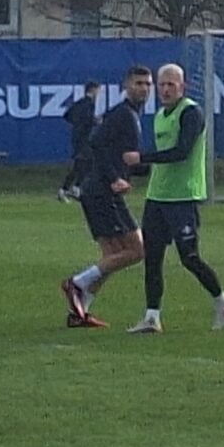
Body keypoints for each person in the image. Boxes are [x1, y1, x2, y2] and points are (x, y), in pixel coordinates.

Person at [123, 62, 224, 334]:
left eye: (172, 84)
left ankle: (221, 301)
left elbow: (181, 152)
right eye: (162, 84)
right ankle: (151, 316)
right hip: (158, 197)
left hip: (183, 197)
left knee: (189, 257)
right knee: (153, 258)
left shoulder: (191, 113)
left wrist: (143, 158)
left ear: (183, 87)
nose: (166, 89)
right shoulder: (160, 115)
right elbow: (160, 159)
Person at [62, 66, 150, 327]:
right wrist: (114, 178)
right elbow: (97, 143)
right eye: (138, 83)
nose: (143, 88)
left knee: (111, 256)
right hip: (101, 190)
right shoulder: (122, 114)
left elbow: (122, 156)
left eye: (147, 84)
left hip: (97, 190)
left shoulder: (131, 115)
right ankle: (76, 283)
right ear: (126, 86)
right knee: (137, 250)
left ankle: (80, 312)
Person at [60, 79, 99, 200]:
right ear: (93, 90)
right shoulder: (89, 103)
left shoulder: (79, 103)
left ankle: (68, 189)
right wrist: (95, 121)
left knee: (80, 165)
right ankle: (73, 188)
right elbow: (87, 119)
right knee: (88, 163)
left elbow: (67, 115)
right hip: (84, 139)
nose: (98, 93)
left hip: (77, 137)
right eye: (98, 90)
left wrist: (77, 124)